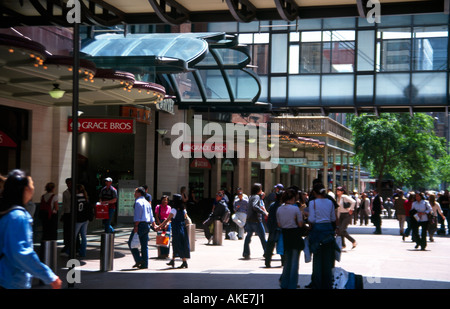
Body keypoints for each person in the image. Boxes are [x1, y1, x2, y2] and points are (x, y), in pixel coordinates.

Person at [0, 169, 62, 289]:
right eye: (31, 184)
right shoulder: (18, 216)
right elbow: (21, 253)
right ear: (25, 189)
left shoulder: (7, 212)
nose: (33, 187)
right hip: (11, 281)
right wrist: (49, 276)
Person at [308, 182, 337, 289]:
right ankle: (327, 283)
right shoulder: (330, 202)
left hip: (316, 233)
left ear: (314, 192)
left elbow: (311, 219)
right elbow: (333, 218)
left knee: (317, 259)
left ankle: (317, 283)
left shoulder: (313, 203)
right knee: (327, 260)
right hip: (328, 232)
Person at [276, 188, 304, 289]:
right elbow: (300, 224)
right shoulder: (295, 209)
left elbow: (279, 224)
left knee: (287, 261)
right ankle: (292, 284)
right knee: (294, 262)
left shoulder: (279, 209)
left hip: (285, 235)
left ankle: (284, 283)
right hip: (295, 235)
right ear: (292, 198)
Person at [157, 194, 190, 269]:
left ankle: (184, 262)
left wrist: (160, 226)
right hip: (183, 229)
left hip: (176, 229)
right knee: (176, 244)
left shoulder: (174, 210)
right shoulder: (183, 209)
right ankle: (173, 260)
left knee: (177, 244)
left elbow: (167, 219)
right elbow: (185, 217)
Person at [128, 186, 156, 269]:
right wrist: (153, 224)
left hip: (140, 225)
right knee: (144, 245)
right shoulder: (147, 202)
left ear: (139, 193)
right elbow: (151, 215)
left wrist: (136, 226)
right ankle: (145, 263)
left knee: (131, 243)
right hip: (147, 225)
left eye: (135, 192)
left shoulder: (138, 202)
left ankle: (139, 259)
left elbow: (137, 216)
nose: (134, 193)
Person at [243, 183, 268, 260]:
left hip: (249, 220)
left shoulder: (250, 197)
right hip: (256, 220)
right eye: (261, 189)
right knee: (262, 237)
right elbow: (255, 206)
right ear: (258, 190)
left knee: (248, 237)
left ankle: (246, 253)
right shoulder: (257, 197)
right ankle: (267, 252)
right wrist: (264, 213)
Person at [265, 189, 283, 268]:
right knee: (282, 245)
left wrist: (270, 227)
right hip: (280, 228)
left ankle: (267, 261)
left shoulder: (272, 205)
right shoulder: (282, 206)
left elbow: (269, 217)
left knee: (270, 245)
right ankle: (283, 261)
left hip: (273, 228)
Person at [74, 184, 93, 257]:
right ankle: (83, 252)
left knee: (74, 235)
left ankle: (71, 250)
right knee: (83, 236)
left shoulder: (76, 198)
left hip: (79, 219)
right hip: (85, 219)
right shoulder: (86, 198)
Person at [61, 177, 72, 256]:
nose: (68, 185)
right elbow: (64, 204)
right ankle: (67, 246)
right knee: (67, 231)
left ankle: (71, 247)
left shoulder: (76, 191)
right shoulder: (65, 193)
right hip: (67, 213)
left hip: (73, 213)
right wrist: (62, 214)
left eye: (70, 183)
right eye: (67, 183)